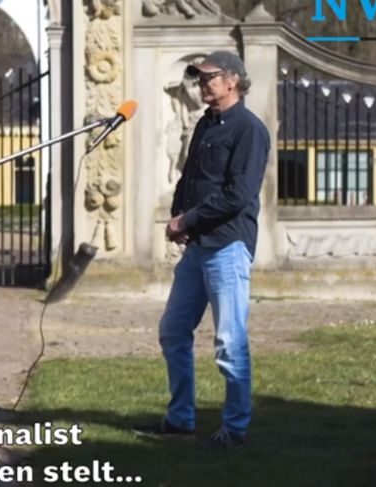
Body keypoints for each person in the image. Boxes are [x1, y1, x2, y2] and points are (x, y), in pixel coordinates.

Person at [135, 51, 269, 450]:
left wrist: (188, 220)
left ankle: (235, 429)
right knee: (173, 331)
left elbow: (237, 194)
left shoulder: (249, 129)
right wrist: (179, 217)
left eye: (208, 77)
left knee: (229, 341)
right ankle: (180, 420)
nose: (201, 83)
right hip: (197, 248)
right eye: (198, 77)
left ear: (232, 81)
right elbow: (189, 179)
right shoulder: (205, 124)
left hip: (228, 245)